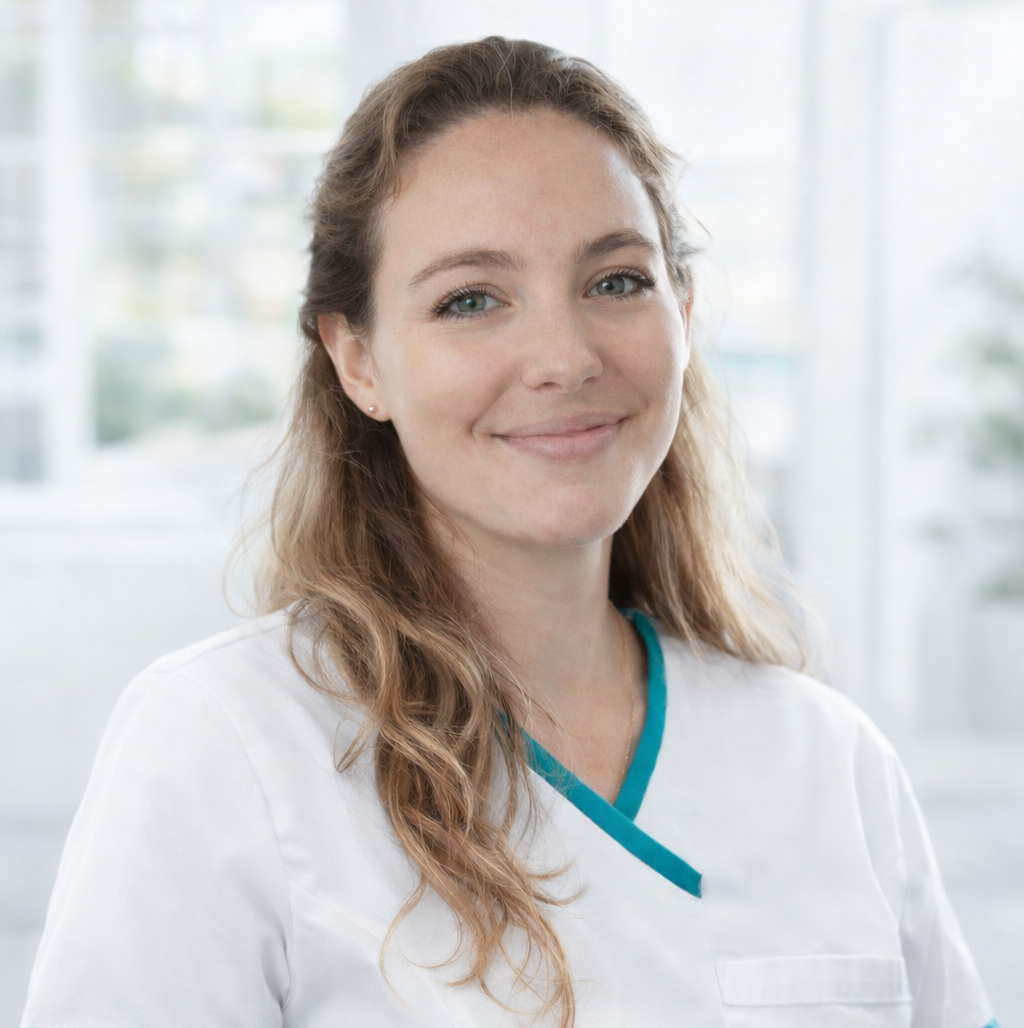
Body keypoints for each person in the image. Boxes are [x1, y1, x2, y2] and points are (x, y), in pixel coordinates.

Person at [22, 36, 998, 1028]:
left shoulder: (829, 762)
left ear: (685, 311)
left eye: (615, 280)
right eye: (471, 299)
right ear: (357, 358)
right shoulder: (226, 743)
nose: (563, 356)